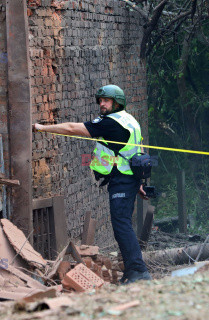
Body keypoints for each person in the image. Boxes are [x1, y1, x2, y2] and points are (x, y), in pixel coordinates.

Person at [33, 84, 152, 284]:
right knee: (122, 224)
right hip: (128, 178)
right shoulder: (129, 120)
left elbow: (72, 129)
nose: (102, 104)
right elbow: (135, 152)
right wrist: (138, 182)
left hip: (122, 179)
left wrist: (43, 128)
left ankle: (139, 272)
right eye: (100, 101)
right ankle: (133, 272)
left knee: (121, 225)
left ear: (117, 102)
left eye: (106, 101)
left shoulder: (110, 123)